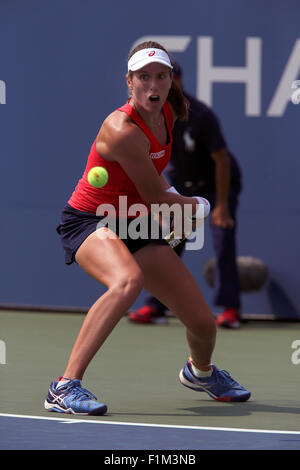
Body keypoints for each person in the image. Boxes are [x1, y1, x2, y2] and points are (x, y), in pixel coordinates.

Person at [44, 42, 250, 416]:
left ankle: (200, 372)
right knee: (127, 281)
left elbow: (154, 180)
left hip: (133, 220)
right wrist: (198, 205)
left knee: (203, 324)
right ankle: (63, 387)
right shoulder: (120, 129)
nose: (152, 85)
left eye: (161, 76)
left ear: (171, 81)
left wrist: (173, 202)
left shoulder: (170, 112)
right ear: (129, 82)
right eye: (143, 77)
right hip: (91, 219)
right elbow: (155, 197)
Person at [129, 62, 242, 329]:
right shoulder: (148, 115)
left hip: (217, 184)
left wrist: (222, 206)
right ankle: (155, 307)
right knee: (169, 241)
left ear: (175, 82)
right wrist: (162, 199)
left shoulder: (200, 115)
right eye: (150, 79)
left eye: (167, 79)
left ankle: (230, 310)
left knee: (222, 237)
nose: (159, 86)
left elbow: (222, 161)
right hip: (183, 186)